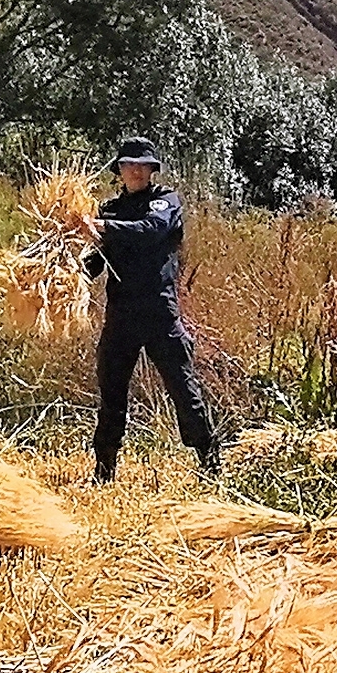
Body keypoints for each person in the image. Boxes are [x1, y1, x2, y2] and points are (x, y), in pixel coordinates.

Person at [81, 136, 220, 484]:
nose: (137, 171)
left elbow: (149, 231)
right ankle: (103, 472)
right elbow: (97, 262)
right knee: (112, 394)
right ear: (120, 171)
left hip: (160, 314)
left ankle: (210, 465)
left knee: (184, 391)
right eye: (130, 165)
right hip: (121, 317)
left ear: (152, 170)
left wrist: (102, 228)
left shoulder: (165, 203)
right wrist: (62, 265)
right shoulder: (109, 209)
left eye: (144, 165)